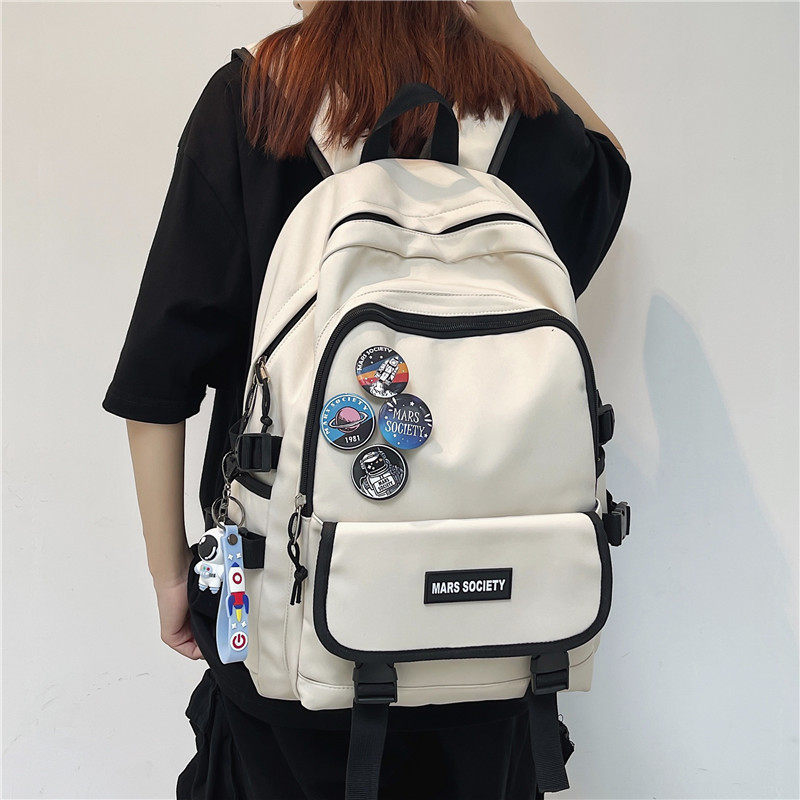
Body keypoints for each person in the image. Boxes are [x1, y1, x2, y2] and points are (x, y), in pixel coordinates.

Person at [103, 1, 630, 797]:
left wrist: (172, 575)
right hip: (499, 632)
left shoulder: (255, 99)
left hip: (286, 625)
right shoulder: (516, 106)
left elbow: (158, 378)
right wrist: (512, 34)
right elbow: (608, 177)